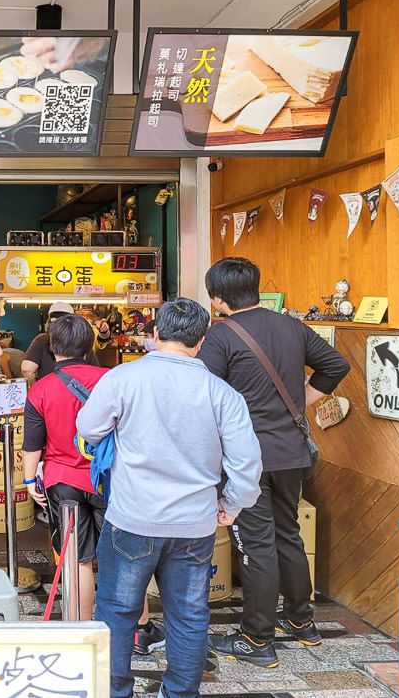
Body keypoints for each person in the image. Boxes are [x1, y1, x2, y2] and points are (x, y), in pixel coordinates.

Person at [77, 298, 262, 698]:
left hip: (131, 519)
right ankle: (179, 693)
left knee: (116, 613)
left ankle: (114, 691)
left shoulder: (123, 378)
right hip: (194, 525)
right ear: (201, 340)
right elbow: (248, 465)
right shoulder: (222, 393)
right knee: (189, 616)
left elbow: (88, 428)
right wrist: (231, 505)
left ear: (156, 333)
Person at [198, 258, 351, 667]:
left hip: (245, 459)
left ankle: (256, 638)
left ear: (217, 298)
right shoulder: (292, 326)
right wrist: (302, 403)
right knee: (287, 533)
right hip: (292, 453)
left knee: (256, 544)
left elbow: (203, 394)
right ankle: (301, 621)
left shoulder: (220, 335)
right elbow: (337, 365)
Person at [22, 314, 163, 650]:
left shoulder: (41, 389)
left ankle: (82, 632)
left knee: (77, 559)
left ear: (52, 348)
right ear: (89, 347)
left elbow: (32, 445)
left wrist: (29, 481)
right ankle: (139, 630)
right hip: (110, 479)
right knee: (125, 554)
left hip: (61, 482)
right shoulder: (113, 380)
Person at [22, 302, 102, 382]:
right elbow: (96, 373)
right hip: (78, 388)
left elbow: (27, 369)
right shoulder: (81, 340)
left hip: (48, 387)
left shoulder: (42, 339)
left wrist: (35, 387)